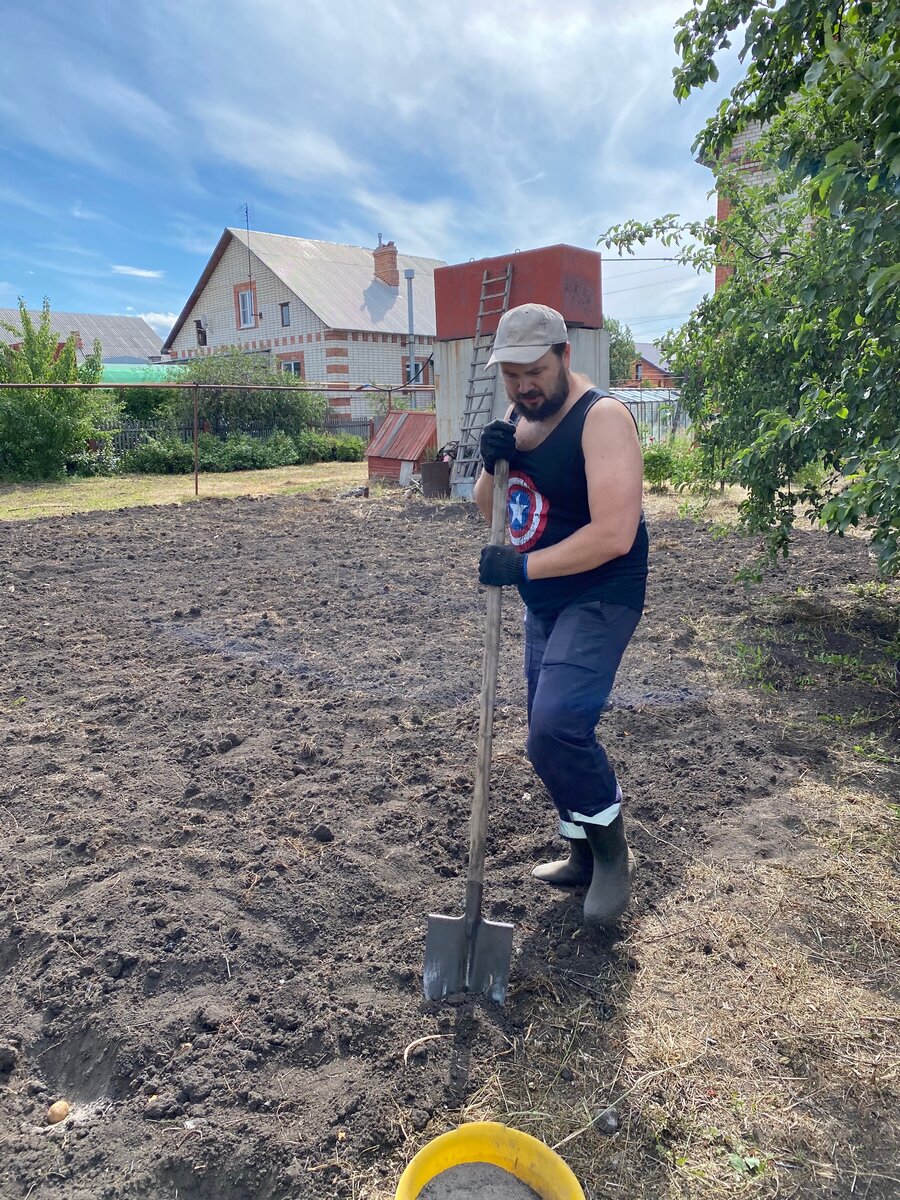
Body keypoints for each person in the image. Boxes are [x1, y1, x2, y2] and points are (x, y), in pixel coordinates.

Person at [473, 303, 648, 927]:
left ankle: (611, 855)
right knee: (544, 739)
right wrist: (494, 459)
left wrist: (522, 568)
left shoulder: (602, 419)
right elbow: (485, 503)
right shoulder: (517, 419)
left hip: (601, 593)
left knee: (555, 728)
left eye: (535, 370)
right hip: (546, 599)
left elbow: (615, 534)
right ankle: (578, 851)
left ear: (565, 357)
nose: (523, 385)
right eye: (511, 374)